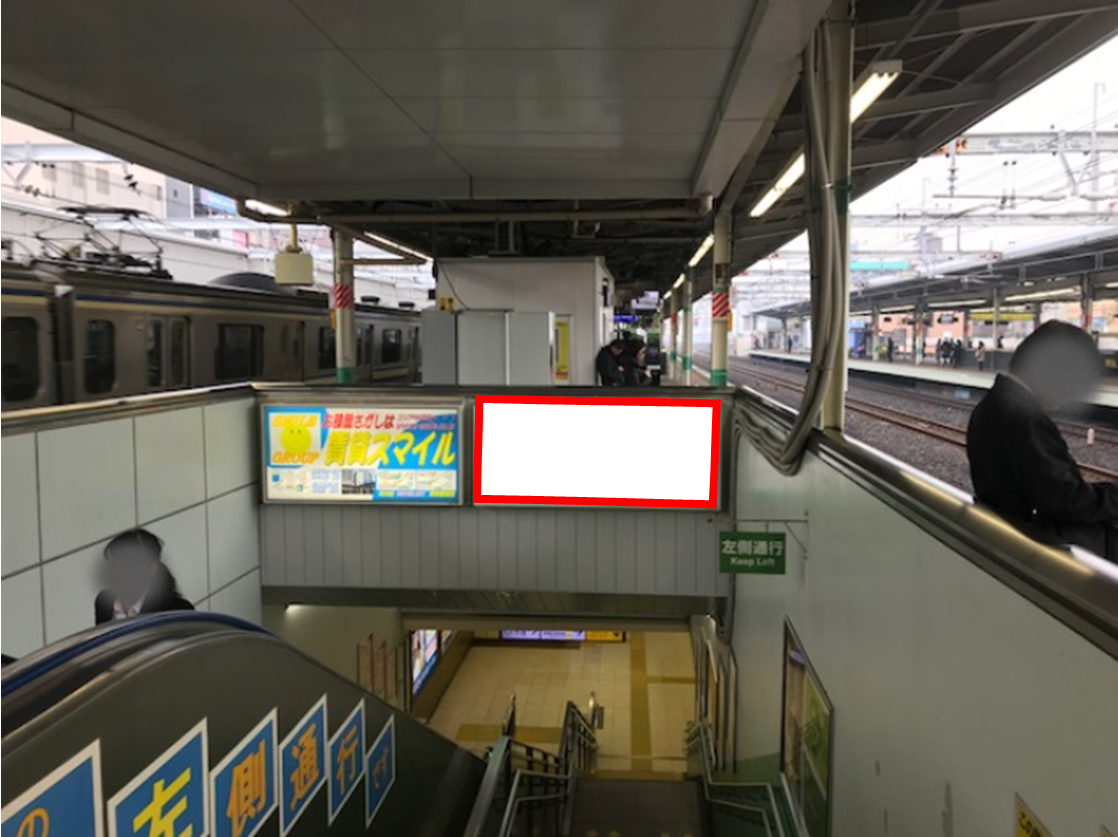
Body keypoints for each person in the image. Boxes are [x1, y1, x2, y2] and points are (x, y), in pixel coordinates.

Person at [966, 321, 1118, 562]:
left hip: (1005, 529)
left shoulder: (994, 404)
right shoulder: (1023, 417)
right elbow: (1065, 502)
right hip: (1033, 541)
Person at [95, 528, 194, 624]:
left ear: (151, 569)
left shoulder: (177, 610)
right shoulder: (104, 601)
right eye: (112, 564)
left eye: (127, 566)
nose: (116, 572)